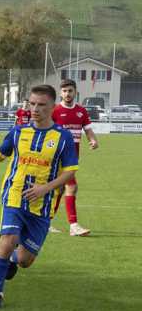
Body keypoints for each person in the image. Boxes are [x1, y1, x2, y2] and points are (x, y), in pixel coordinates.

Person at [0, 85, 78, 309]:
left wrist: (45, 188)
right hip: (14, 196)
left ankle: (11, 261)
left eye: (41, 104)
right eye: (32, 103)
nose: (35, 109)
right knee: (7, 241)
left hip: (42, 206)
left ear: (52, 107)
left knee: (25, 261)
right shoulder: (19, 131)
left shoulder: (63, 137)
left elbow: (70, 172)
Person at [51, 79, 99, 237]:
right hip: (58, 157)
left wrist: (92, 140)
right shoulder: (55, 111)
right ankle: (74, 225)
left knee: (58, 189)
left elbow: (88, 130)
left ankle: (46, 222)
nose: (67, 94)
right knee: (71, 187)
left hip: (73, 158)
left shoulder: (81, 111)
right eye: (64, 91)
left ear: (75, 92)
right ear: (60, 93)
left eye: (70, 91)